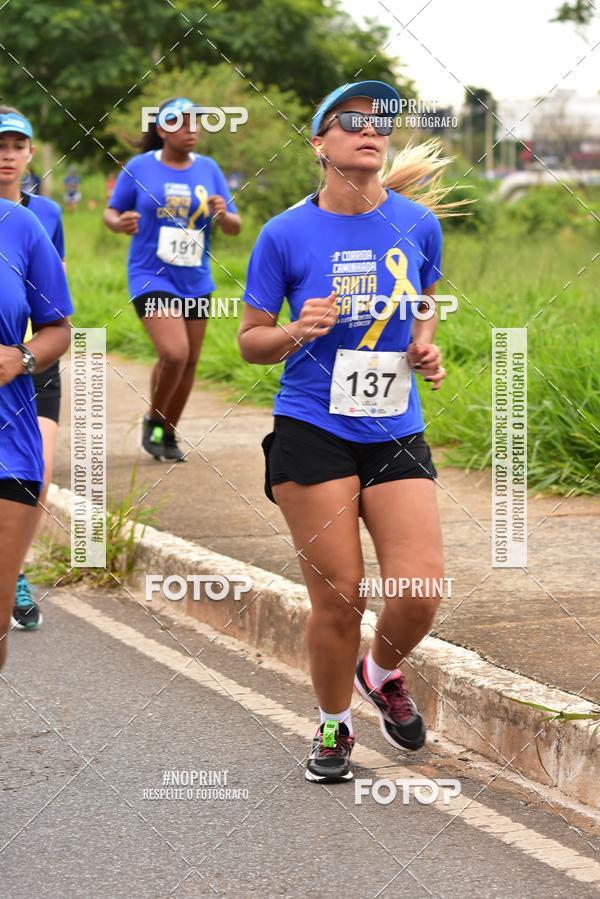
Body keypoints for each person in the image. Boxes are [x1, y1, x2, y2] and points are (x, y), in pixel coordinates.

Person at [239, 81, 466, 784]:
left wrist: (424, 345)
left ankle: (382, 670)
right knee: (340, 593)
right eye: (350, 121)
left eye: (379, 123)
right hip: (313, 425)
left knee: (421, 588)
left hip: (394, 423)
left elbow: (423, 300)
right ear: (319, 143)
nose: (370, 130)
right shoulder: (284, 234)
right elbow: (250, 340)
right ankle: (333, 724)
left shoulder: (417, 224)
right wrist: (294, 330)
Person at [104, 97, 241, 462]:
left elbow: (234, 226)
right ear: (162, 129)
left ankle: (167, 432)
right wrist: (120, 224)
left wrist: (223, 214)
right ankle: (154, 421)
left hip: (196, 279)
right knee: (174, 353)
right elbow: (111, 212)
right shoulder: (139, 167)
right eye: (181, 123)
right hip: (150, 274)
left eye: (195, 123)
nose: (191, 129)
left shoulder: (209, 169)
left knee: (190, 361)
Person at [0, 107, 67, 631]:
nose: (7, 154)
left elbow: (54, 301)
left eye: (16, 145)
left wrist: (24, 353)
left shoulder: (41, 216)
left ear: (29, 153)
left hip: (29, 363)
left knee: (37, 473)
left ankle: (15, 568)